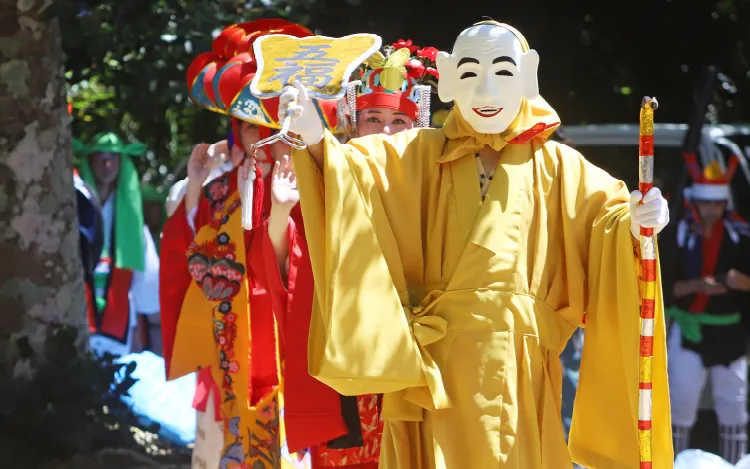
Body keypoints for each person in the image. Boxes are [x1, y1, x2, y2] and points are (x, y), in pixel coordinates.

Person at [278, 21, 673, 468]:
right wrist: (313, 136)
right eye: (468, 74)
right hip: (435, 372)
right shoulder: (413, 154)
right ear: (445, 78)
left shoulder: (561, 168)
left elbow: (611, 219)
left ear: (528, 75)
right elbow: (345, 176)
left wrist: (638, 222)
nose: (485, 90)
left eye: (502, 73)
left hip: (522, 375)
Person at [158, 19, 342, 469]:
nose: (257, 137)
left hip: (288, 325)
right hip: (233, 329)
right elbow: (192, 256)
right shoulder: (220, 191)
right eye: (246, 127)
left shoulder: (315, 188)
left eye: (266, 125)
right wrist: (198, 187)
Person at [264, 40, 438, 469]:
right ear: (352, 123)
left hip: (423, 356)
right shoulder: (326, 175)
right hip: (353, 360)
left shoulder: (437, 185)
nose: (385, 131)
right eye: (373, 119)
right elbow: (298, 269)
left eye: (400, 121)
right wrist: (280, 214)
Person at [665, 156, 750, 463]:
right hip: (690, 328)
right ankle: (673, 461)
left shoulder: (741, 237)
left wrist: (742, 282)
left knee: (733, 405)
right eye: (705, 204)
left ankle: (736, 463)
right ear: (695, 203)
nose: (710, 211)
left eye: (716, 205)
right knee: (681, 402)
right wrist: (698, 286)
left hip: (730, 333)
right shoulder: (679, 236)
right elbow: (665, 287)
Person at [76, 133, 161, 357]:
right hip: (79, 301)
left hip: (119, 313)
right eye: (101, 158)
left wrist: (151, 322)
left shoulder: (130, 216)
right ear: (90, 161)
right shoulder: (75, 204)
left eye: (113, 158)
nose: (107, 164)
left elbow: (147, 276)